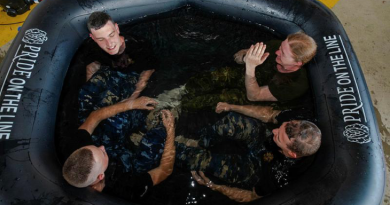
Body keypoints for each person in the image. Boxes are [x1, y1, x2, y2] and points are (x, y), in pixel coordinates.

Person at [175, 103, 321, 203]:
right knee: (233, 122)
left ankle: (171, 149)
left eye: (278, 136)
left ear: (292, 153)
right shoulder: (300, 123)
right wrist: (232, 106)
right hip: (262, 142)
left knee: (202, 161)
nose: (274, 130)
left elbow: (252, 196)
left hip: (258, 168)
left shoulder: (280, 176)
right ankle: (201, 142)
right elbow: (270, 114)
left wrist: (213, 185)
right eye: (280, 127)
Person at [62, 97, 176, 201]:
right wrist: (170, 132)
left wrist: (132, 104)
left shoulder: (75, 152)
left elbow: (94, 117)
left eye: (96, 147)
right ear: (101, 176)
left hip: (113, 154)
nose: (102, 147)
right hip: (129, 169)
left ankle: (143, 119)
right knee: (158, 139)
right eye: (102, 152)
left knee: (116, 120)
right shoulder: (124, 189)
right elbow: (164, 171)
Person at [181, 32, 317, 111]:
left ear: (297, 63)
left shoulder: (296, 84)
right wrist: (246, 56)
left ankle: (181, 106)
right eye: (281, 47)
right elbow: (239, 56)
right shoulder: (275, 46)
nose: (277, 52)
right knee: (215, 76)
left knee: (216, 99)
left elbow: (254, 96)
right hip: (248, 74)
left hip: (251, 94)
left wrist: (251, 67)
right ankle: (180, 92)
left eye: (283, 53)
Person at [83, 11, 157, 81]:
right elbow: (90, 70)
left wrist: (136, 93)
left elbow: (149, 69)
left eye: (111, 35)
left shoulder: (138, 45)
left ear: (117, 29)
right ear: (92, 38)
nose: (109, 44)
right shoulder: (92, 50)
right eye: (101, 39)